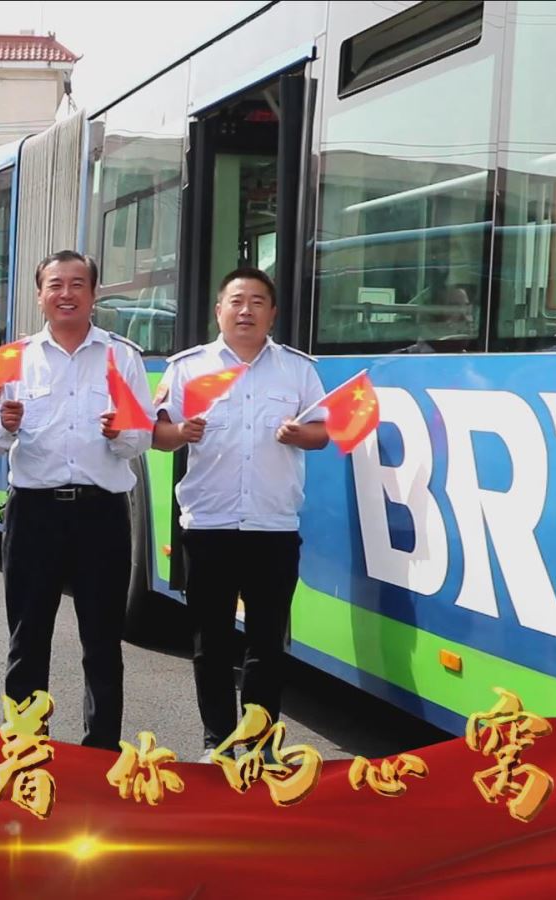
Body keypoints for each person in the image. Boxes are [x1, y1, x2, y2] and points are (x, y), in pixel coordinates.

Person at [151, 266, 329, 762]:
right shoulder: (188, 368)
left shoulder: (297, 369)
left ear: (272, 314)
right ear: (219, 311)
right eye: (236, 301)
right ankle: (218, 741)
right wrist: (180, 433)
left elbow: (323, 432)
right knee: (210, 642)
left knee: (267, 643)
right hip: (209, 525)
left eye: (256, 302)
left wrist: (301, 435)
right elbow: (157, 434)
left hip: (273, 527)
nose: (245, 310)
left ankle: (260, 743)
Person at [0, 250, 155, 750]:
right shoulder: (14, 359)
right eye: (55, 285)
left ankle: (100, 752)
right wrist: (5, 425)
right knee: (27, 637)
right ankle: (25, 745)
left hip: (102, 513)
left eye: (78, 284)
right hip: (34, 512)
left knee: (102, 642)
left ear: (94, 294)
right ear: (39, 295)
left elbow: (141, 439)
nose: (66, 294)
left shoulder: (122, 357)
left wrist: (121, 433)